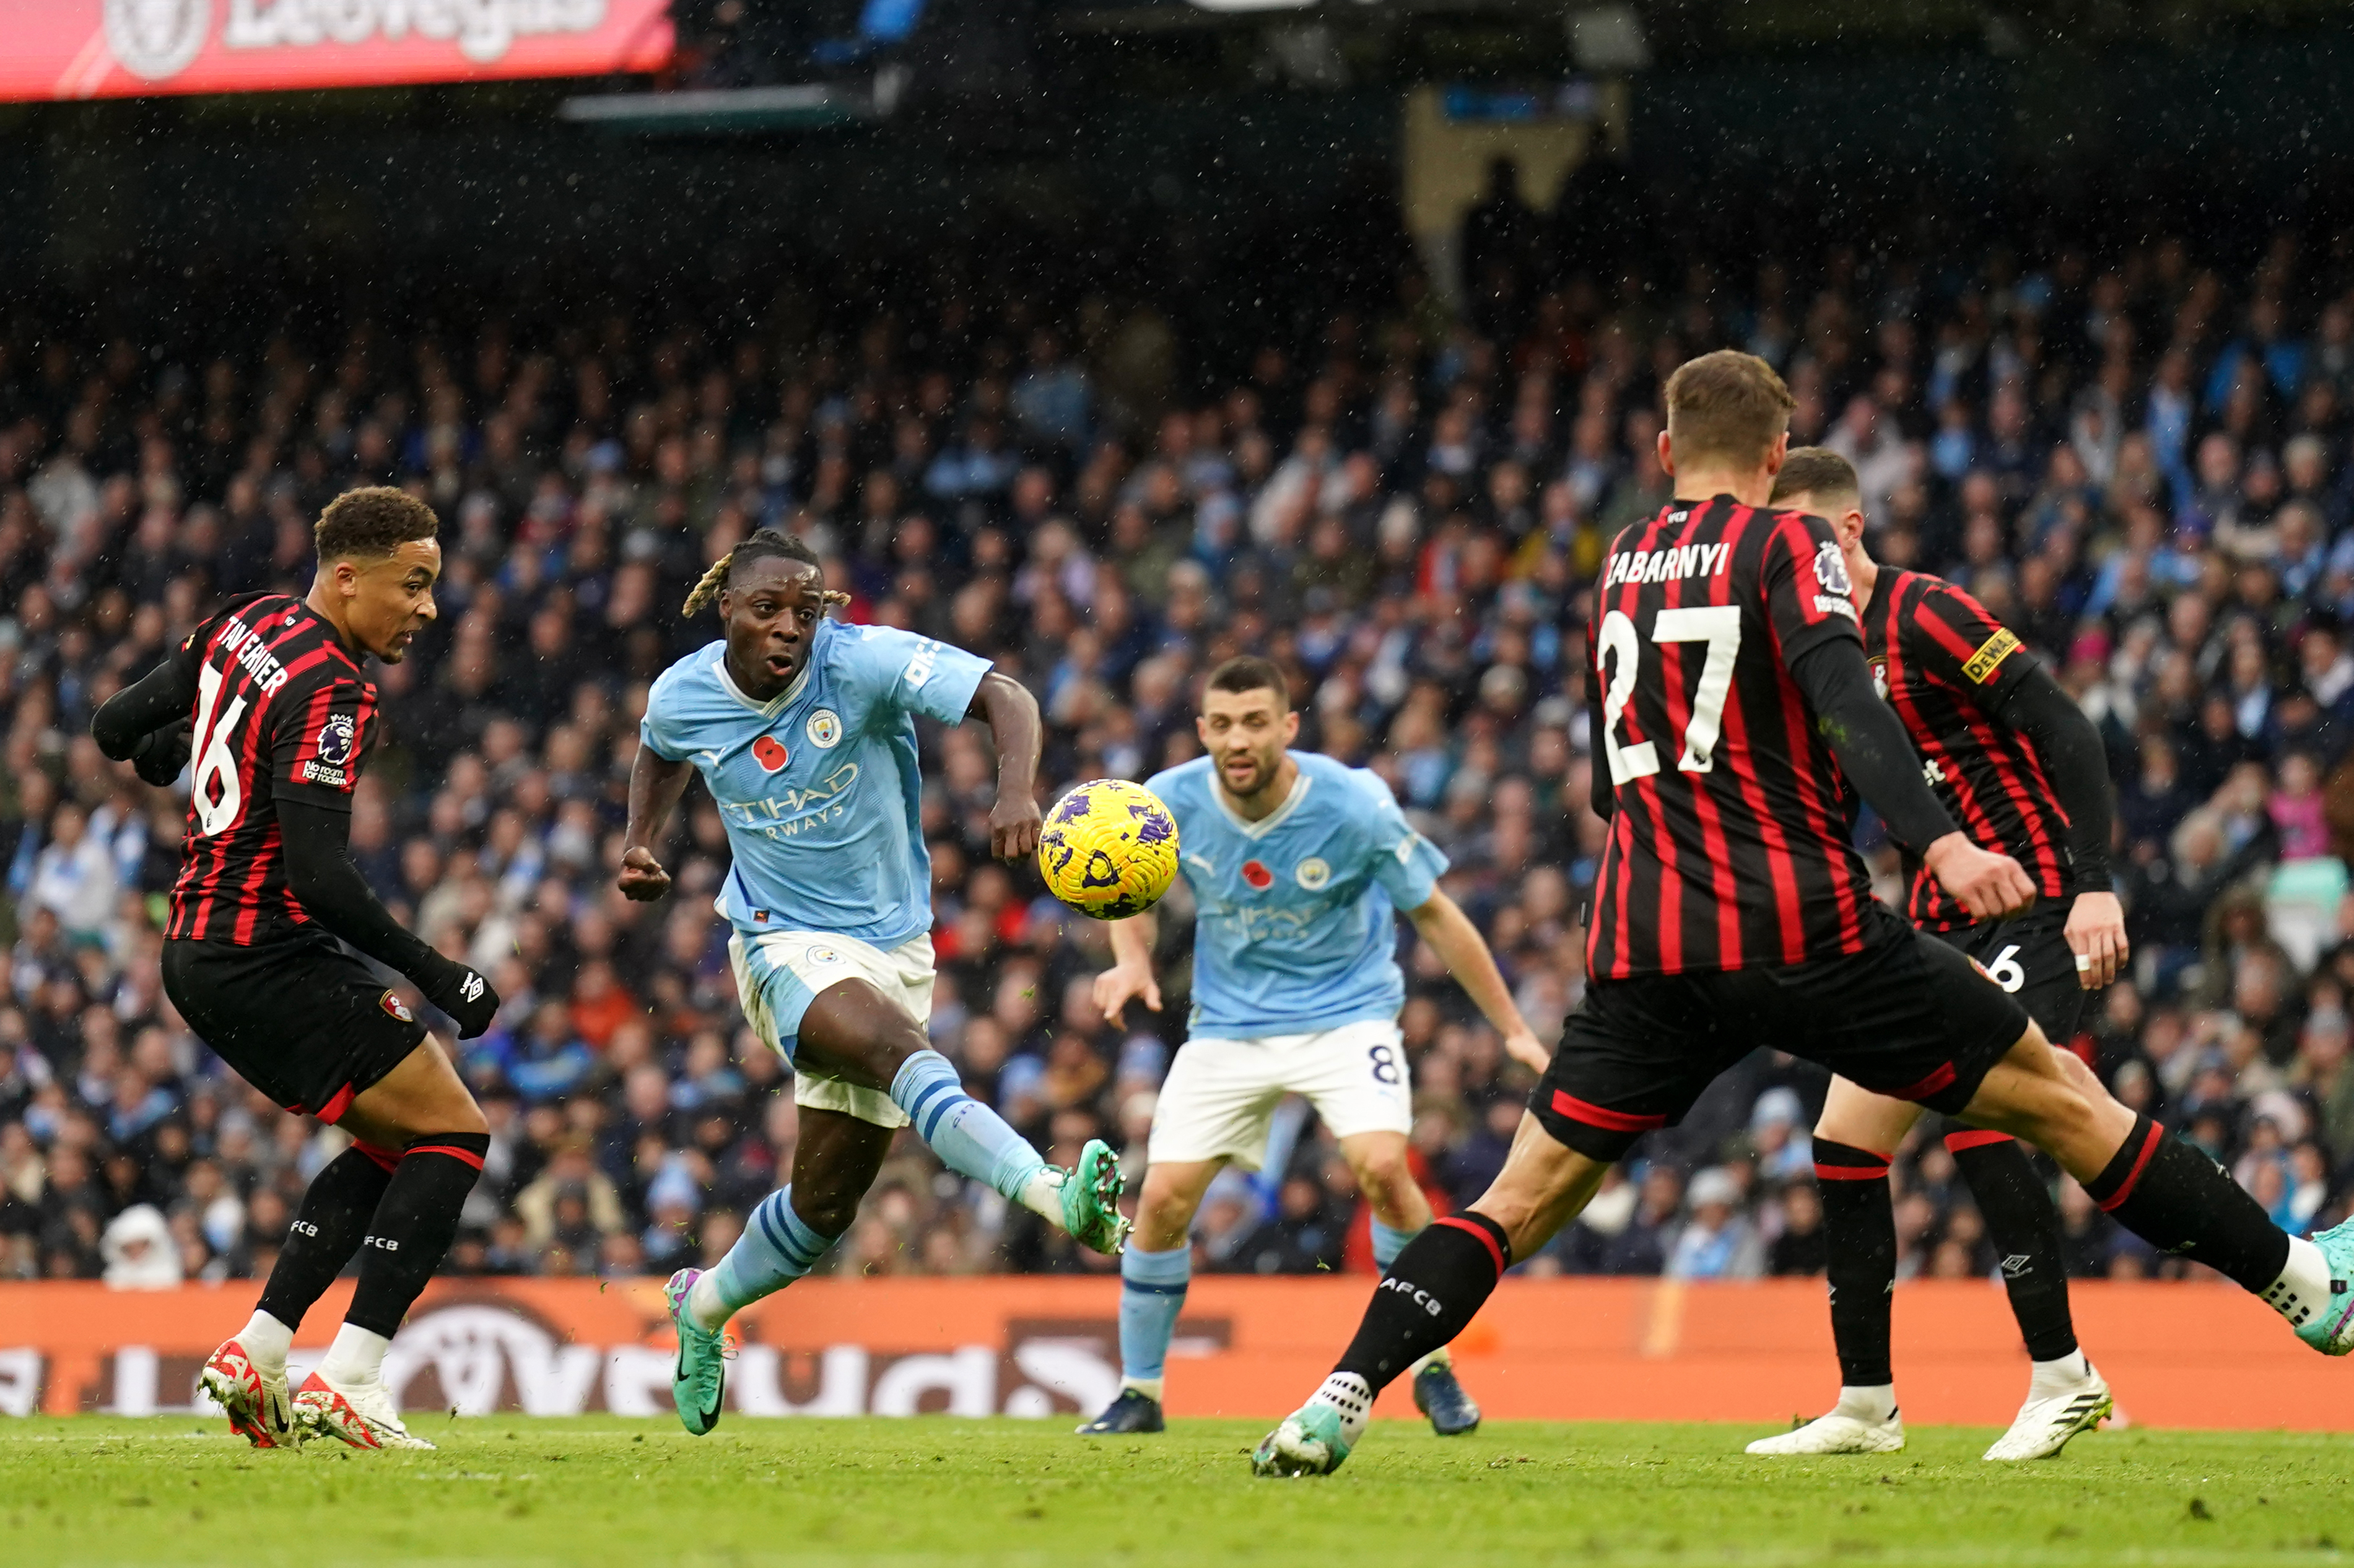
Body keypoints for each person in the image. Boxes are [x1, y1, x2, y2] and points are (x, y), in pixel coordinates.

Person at [1249, 352, 2354, 1479]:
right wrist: (1945, 843)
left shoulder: (1615, 560)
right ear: (1775, 453)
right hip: (1799, 924)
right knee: (2061, 1101)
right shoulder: (1787, 544)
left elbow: (1610, 783)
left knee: (1515, 1198)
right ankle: (2306, 1288)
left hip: (1645, 939)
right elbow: (1847, 702)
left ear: (1663, 450)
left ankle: (1334, 1397)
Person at [619, 527, 1128, 1438]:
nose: (787, 629)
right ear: (724, 607)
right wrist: (642, 839)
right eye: (767, 609)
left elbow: (1004, 695)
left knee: (821, 1212)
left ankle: (700, 1309)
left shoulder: (862, 663)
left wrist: (1018, 788)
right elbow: (660, 747)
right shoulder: (684, 692)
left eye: (803, 612)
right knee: (904, 1052)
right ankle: (1059, 1198)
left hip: (896, 950)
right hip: (780, 944)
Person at [91, 486, 503, 1451]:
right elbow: (319, 879)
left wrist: (170, 753)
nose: (428, 608)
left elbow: (117, 726)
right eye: (415, 584)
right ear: (347, 576)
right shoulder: (333, 686)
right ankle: (351, 1378)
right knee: (455, 1133)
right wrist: (442, 975)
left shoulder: (246, 621)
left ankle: (259, 1353)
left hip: (196, 952)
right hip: (261, 945)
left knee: (397, 1141)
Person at [1745, 447, 2123, 1461]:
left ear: (1848, 531)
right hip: (1935, 920)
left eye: (1795, 538)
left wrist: (2092, 881)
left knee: (1980, 1107)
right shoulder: (1810, 647)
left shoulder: (1928, 614)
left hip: (2037, 901)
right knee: (1843, 1141)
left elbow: (2065, 728)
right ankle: (1864, 1403)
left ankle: (2059, 1375)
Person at [1073, 656, 1549, 1437]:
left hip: (1348, 1014)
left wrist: (1513, 1028)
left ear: (1288, 727)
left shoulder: (1353, 803)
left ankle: (1432, 1369)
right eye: (1222, 724)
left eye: (1256, 722)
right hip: (1228, 1025)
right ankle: (1141, 1393)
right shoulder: (1167, 800)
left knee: (1383, 1168)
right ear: (1202, 731)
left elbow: (1436, 916)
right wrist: (1130, 959)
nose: (1239, 739)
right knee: (1159, 1200)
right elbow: (1130, 889)